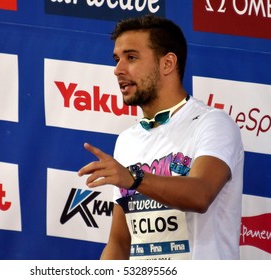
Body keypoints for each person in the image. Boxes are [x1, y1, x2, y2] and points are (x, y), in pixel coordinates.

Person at [78, 15, 244, 260]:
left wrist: (133, 178)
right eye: (117, 59)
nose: (118, 70)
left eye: (131, 57)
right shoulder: (127, 140)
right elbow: (120, 242)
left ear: (167, 63)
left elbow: (200, 195)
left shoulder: (213, 123)